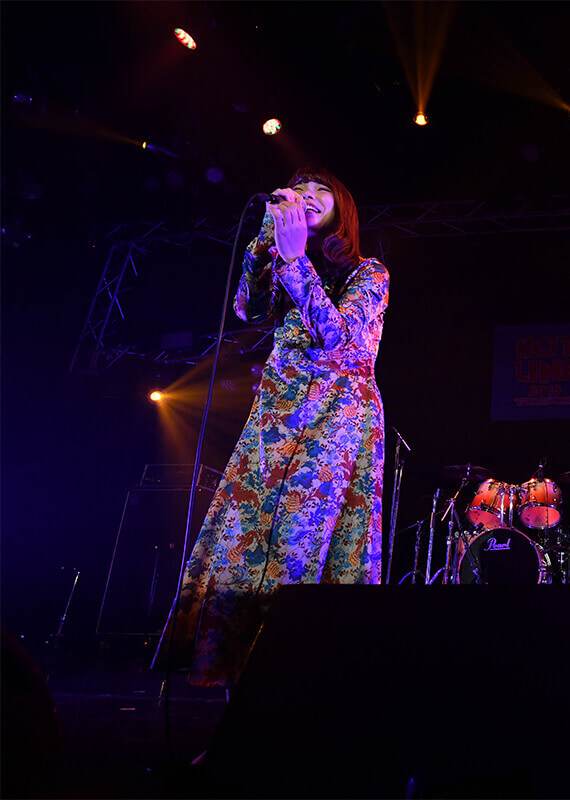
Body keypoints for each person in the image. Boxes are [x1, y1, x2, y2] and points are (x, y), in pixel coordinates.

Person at [154, 167, 389, 688]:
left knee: (301, 553)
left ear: (341, 209)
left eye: (319, 190)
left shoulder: (370, 274)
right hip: (274, 422)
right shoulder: (284, 261)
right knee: (243, 547)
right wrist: (267, 243)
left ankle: (296, 691)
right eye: (297, 189)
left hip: (335, 424)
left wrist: (295, 258)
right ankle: (239, 691)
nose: (305, 195)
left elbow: (341, 340)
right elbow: (247, 307)